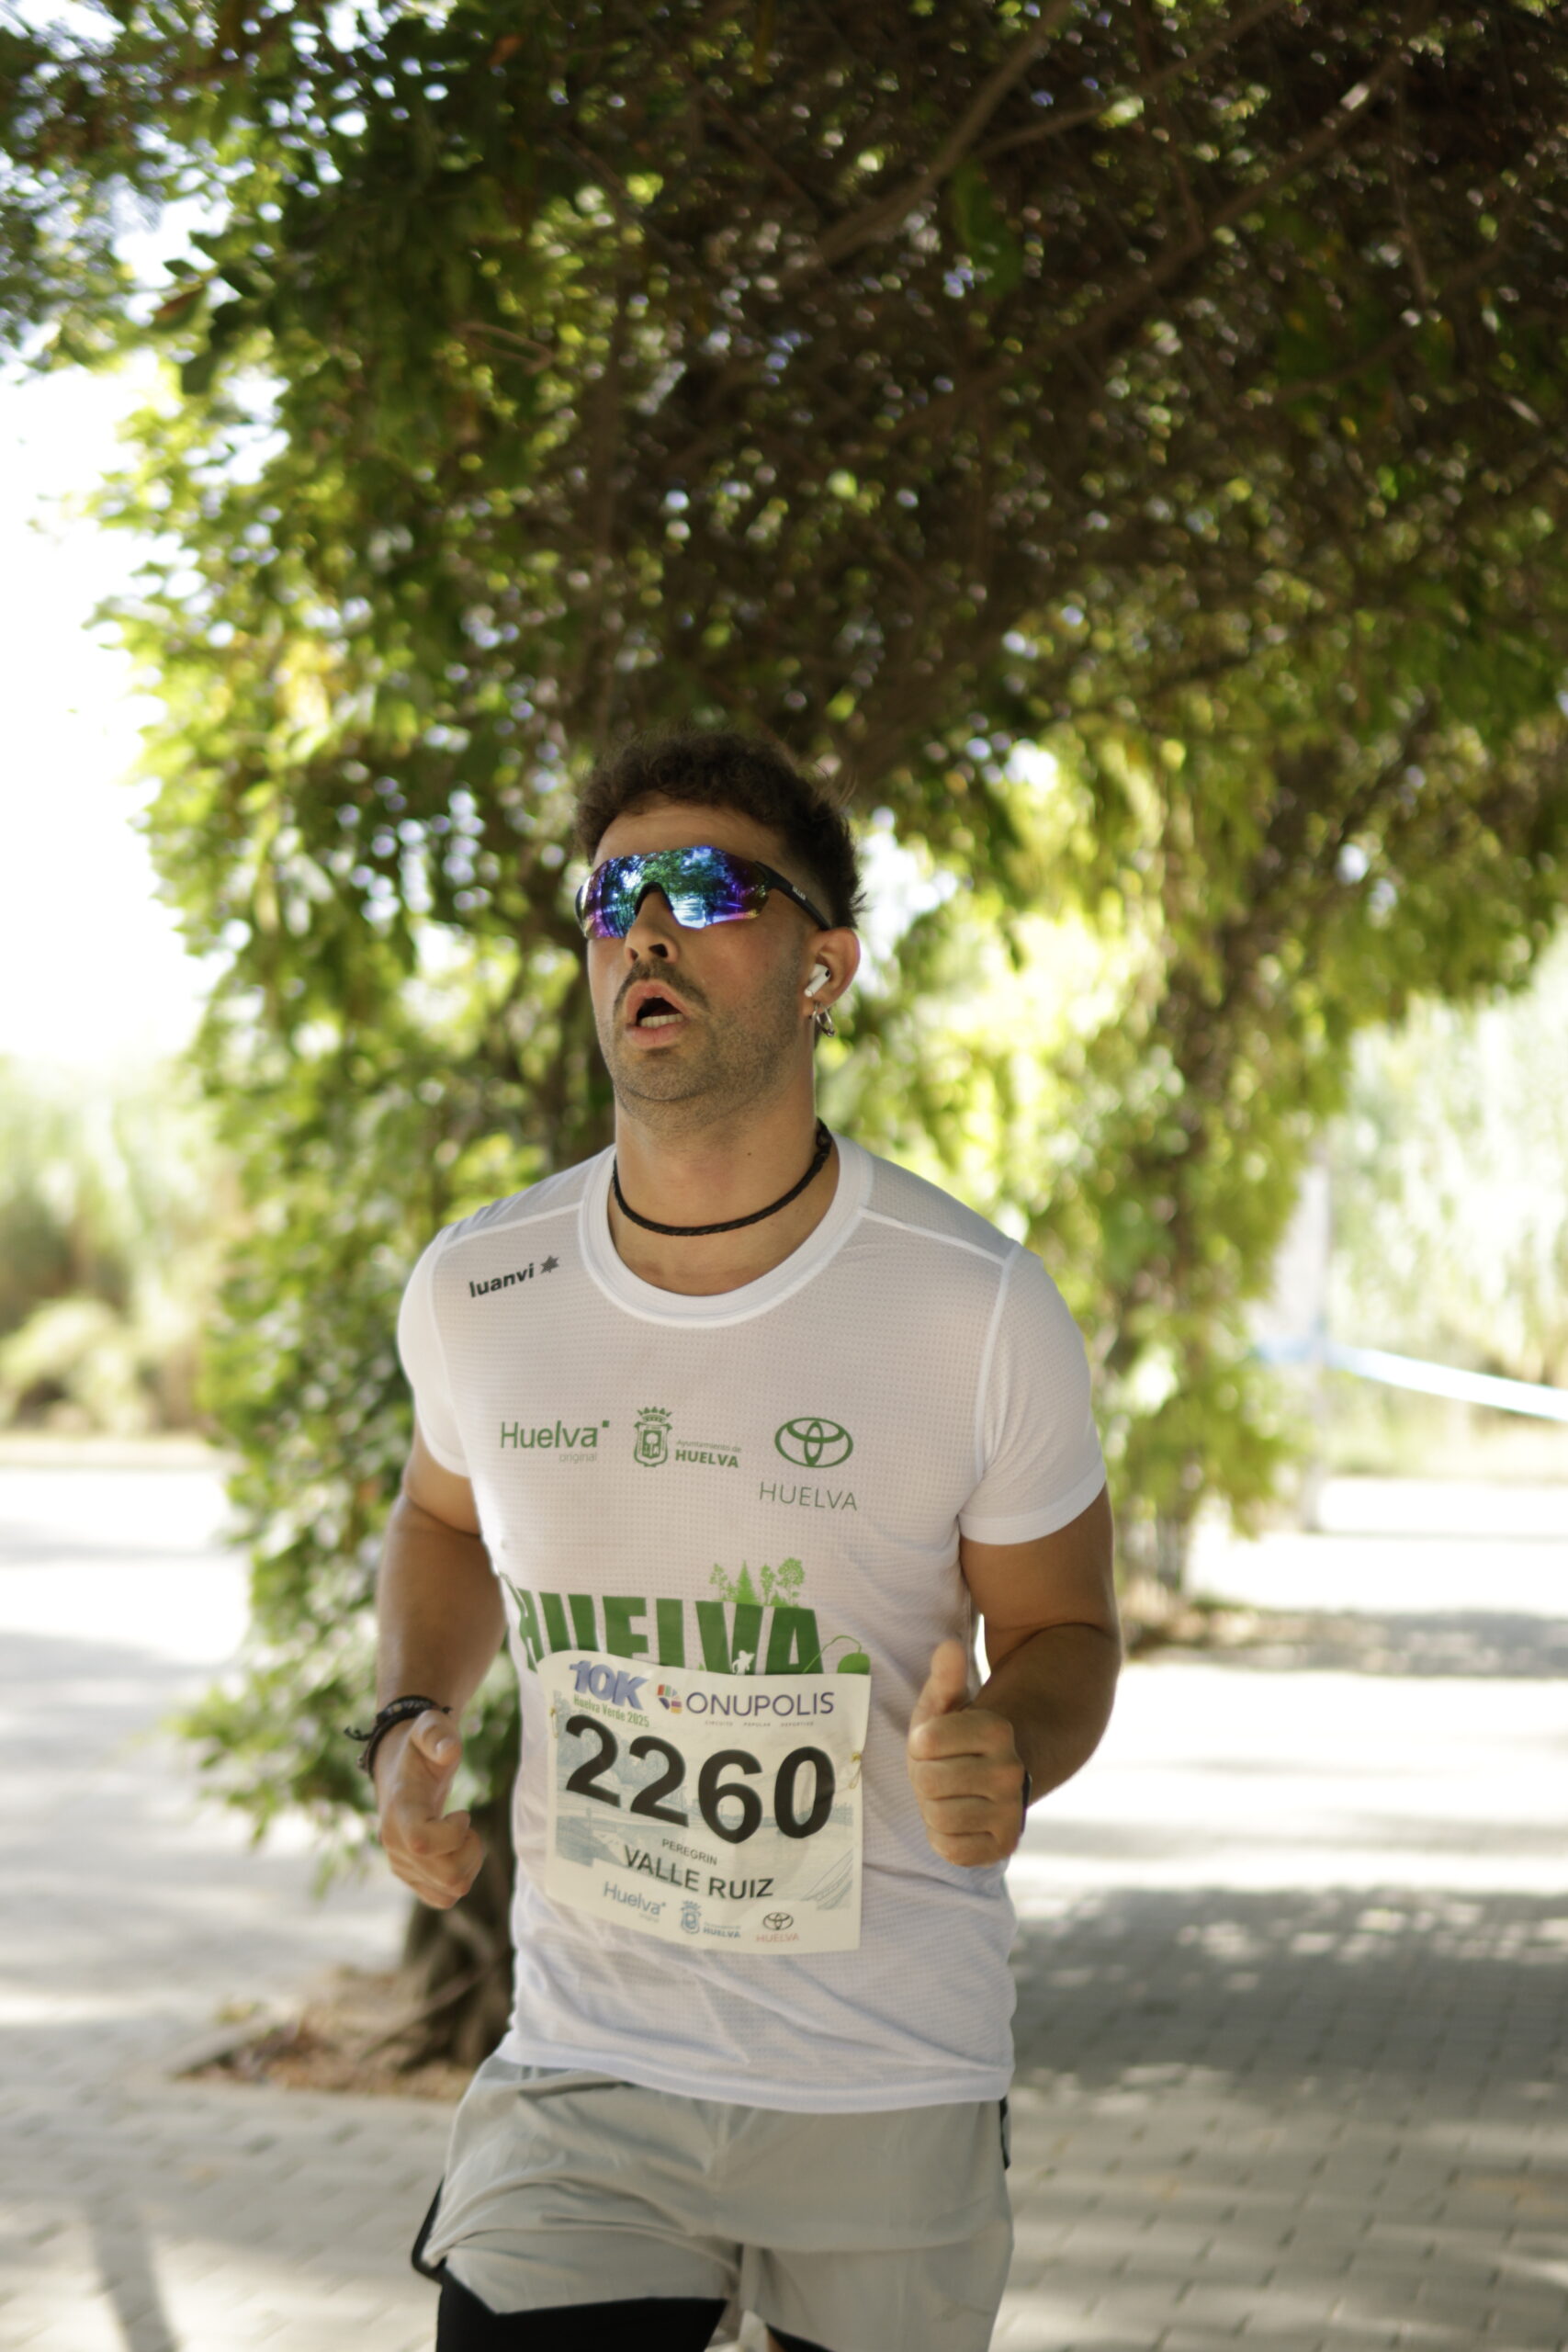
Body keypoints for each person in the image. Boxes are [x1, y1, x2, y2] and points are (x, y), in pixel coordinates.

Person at [362, 729, 1120, 2352]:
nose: (645, 929)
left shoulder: (973, 1307)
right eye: (611, 899)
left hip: (886, 2074)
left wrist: (1009, 1745)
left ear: (822, 967)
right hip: (585, 2070)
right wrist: (411, 1715)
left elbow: (1067, 1631)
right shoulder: (481, 1288)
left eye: (705, 890)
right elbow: (440, 1516)